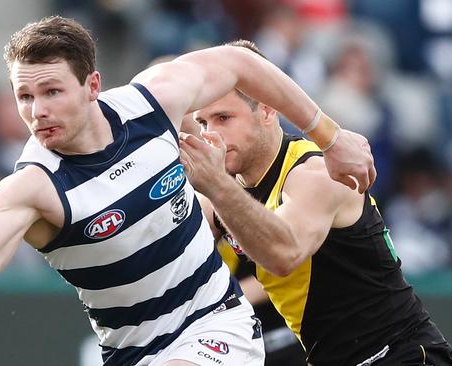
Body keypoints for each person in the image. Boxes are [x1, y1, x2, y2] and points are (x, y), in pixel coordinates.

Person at [0, 17, 375, 366]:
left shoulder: (150, 103)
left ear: (93, 85)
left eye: (51, 91)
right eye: (24, 95)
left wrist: (329, 135)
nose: (36, 110)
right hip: (129, 353)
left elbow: (240, 63)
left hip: (217, 327)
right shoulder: (34, 188)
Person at [179, 39, 452, 366]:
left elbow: (284, 254)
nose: (212, 135)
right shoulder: (226, 186)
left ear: (267, 109)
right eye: (204, 122)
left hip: (398, 354)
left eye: (224, 118)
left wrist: (215, 185)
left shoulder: (315, 173)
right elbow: (164, 251)